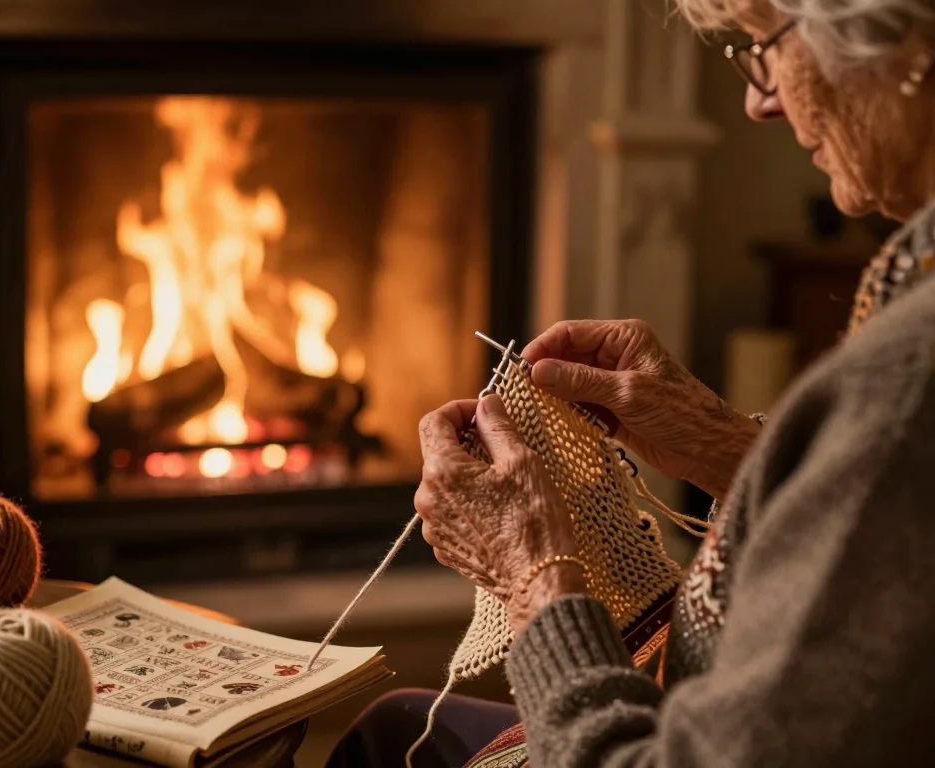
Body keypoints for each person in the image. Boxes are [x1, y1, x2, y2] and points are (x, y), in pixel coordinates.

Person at [326, 0, 935, 765]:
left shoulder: (910, 378)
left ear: (911, 43)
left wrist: (532, 569)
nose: (757, 98)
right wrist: (724, 444)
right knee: (393, 725)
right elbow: (881, 536)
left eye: (765, 44)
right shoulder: (914, 295)